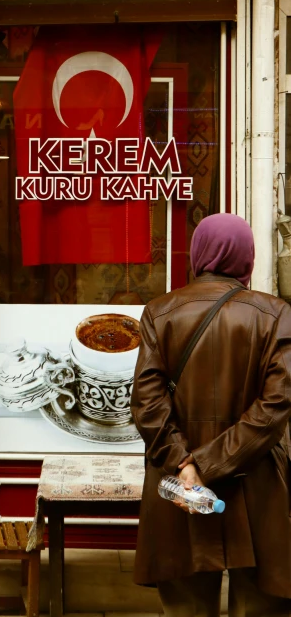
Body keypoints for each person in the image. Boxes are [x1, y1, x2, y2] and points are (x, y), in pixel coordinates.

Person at [131, 213, 291, 617]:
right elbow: (274, 408)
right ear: (247, 259)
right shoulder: (276, 315)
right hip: (255, 484)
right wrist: (208, 464)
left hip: (180, 486)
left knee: (186, 607)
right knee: (256, 607)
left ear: (198, 254)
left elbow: (147, 403)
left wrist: (186, 464)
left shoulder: (159, 311)